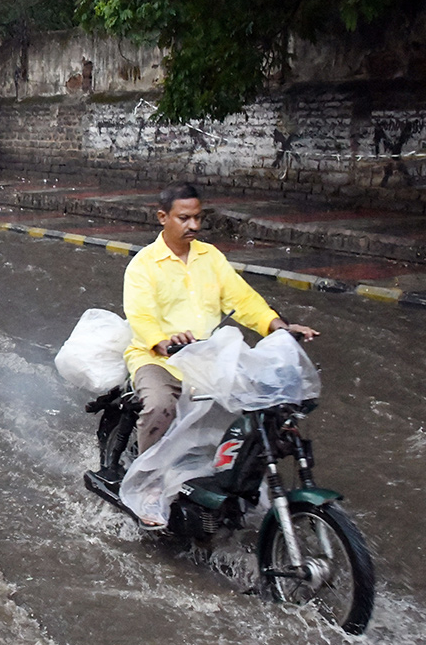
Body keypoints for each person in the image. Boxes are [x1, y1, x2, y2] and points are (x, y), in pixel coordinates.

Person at [122, 182, 317, 526]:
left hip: (205, 359)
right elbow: (140, 316)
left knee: (258, 410)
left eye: (197, 218)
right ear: (162, 217)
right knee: (159, 406)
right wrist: (164, 342)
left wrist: (279, 327)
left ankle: (233, 481)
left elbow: (244, 301)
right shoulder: (143, 265)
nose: (193, 226)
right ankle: (149, 484)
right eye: (184, 218)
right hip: (158, 359)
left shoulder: (210, 258)